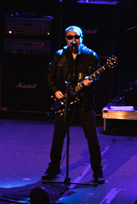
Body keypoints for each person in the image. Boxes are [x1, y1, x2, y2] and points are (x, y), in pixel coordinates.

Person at [43, 26, 105, 183]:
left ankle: (97, 171)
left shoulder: (91, 56)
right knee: (58, 137)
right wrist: (56, 91)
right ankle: (53, 168)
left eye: (76, 37)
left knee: (92, 138)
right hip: (65, 102)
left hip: (84, 102)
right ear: (65, 39)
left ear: (82, 37)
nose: (73, 40)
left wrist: (92, 81)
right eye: (70, 37)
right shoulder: (59, 56)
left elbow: (99, 77)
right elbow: (49, 76)